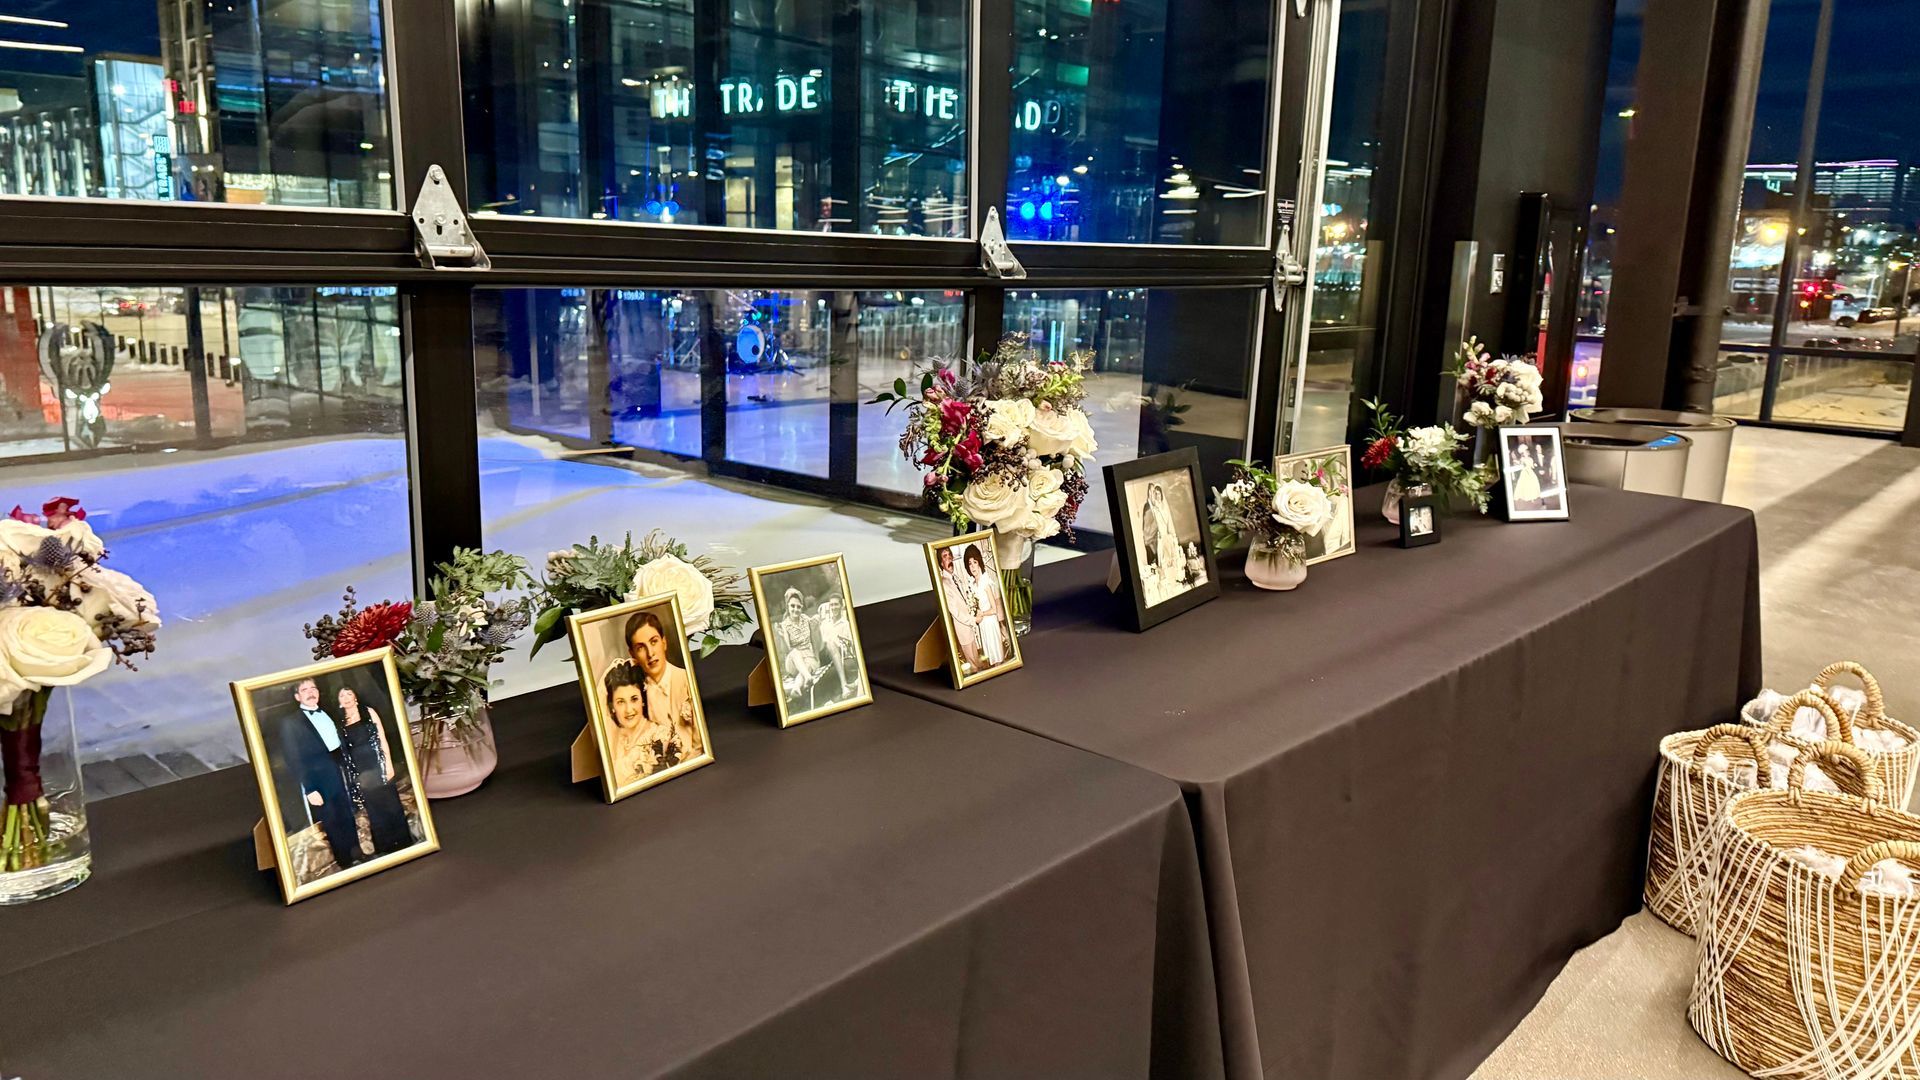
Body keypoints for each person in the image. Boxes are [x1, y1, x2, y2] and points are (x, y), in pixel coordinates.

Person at [272, 677, 360, 870]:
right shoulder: (291, 723)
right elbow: (293, 758)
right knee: (333, 819)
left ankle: (358, 855)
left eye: (313, 688)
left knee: (347, 813)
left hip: (339, 770)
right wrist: (309, 788)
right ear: (297, 697)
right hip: (317, 778)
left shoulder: (329, 712)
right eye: (305, 690)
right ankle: (346, 862)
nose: (311, 692)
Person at [606, 609, 702, 783]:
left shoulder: (686, 680)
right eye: (641, 647)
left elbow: (700, 745)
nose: (650, 653)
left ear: (664, 643)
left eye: (654, 642)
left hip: (694, 771)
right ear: (632, 654)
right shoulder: (637, 696)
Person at [335, 685, 412, 856]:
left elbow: (382, 738)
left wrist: (388, 765)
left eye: (349, 693)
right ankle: (385, 849)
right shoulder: (340, 722)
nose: (346, 697)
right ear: (339, 702)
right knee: (375, 809)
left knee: (392, 804)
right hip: (361, 771)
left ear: (355, 696)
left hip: (378, 763)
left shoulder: (368, 712)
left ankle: (404, 843)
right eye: (342, 695)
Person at [604, 664, 689, 782]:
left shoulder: (660, 735)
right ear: (612, 706)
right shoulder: (614, 739)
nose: (629, 710)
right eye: (620, 702)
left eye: (634, 699)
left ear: (642, 701)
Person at [773, 586, 828, 711]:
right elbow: (786, 651)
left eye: (798, 606)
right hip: (793, 661)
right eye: (792, 606)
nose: (795, 609)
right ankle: (807, 676)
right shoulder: (784, 625)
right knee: (795, 652)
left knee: (806, 667)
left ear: (802, 607)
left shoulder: (806, 620)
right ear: (788, 607)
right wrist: (781, 637)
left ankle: (797, 688)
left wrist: (817, 657)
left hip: (809, 658)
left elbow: (815, 641)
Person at [937, 546, 982, 669]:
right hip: (963, 629)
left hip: (970, 628)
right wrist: (973, 620)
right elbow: (955, 611)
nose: (949, 558)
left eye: (950, 555)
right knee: (974, 666)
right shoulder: (944, 583)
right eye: (945, 557)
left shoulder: (954, 578)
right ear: (941, 563)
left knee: (978, 661)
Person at [966, 543, 1008, 668]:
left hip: (990, 621)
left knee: (996, 654)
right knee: (989, 653)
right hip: (983, 623)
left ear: (979, 562)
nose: (973, 566)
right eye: (970, 564)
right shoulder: (973, 584)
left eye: (975, 562)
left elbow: (994, 609)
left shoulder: (985, 582)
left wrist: (982, 614)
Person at [816, 595, 858, 699]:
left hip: (840, 651)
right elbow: (820, 645)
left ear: (841, 606)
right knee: (829, 643)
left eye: (836, 604)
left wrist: (840, 644)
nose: (833, 607)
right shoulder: (825, 624)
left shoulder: (846, 624)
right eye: (831, 605)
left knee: (832, 644)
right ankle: (844, 686)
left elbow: (851, 644)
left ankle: (843, 687)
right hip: (825, 654)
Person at [1512, 442, 1542, 508]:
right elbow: (1520, 465)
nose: (1526, 453)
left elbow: (1532, 466)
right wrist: (1519, 463)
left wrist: (1534, 465)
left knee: (1533, 483)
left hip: (1531, 472)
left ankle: (1533, 497)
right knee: (1525, 484)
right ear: (1522, 454)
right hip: (1525, 472)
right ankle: (1526, 497)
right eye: (1524, 453)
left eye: (1527, 452)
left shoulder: (1531, 459)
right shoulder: (1522, 459)